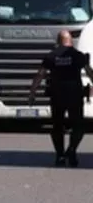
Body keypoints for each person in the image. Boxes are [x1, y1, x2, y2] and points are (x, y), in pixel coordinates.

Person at [27, 29, 92, 167]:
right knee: (78, 126)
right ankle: (72, 150)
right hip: (75, 95)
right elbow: (89, 72)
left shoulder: (51, 56)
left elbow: (40, 75)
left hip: (57, 96)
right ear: (71, 41)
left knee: (57, 126)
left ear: (58, 41)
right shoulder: (78, 55)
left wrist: (32, 93)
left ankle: (60, 155)